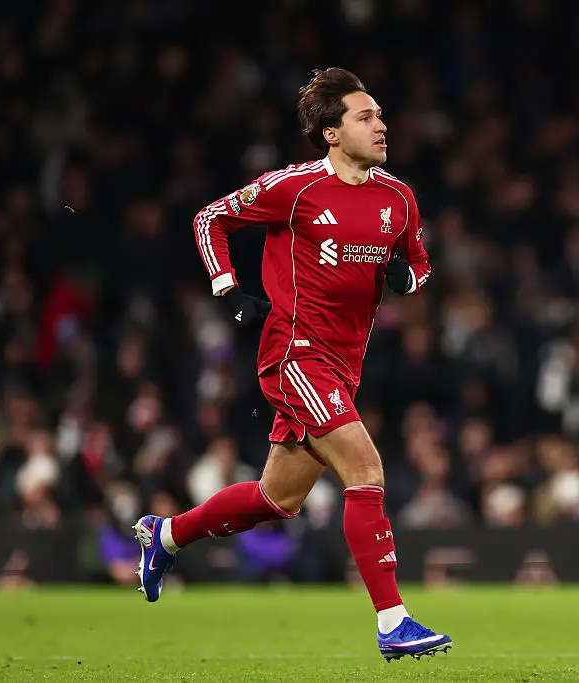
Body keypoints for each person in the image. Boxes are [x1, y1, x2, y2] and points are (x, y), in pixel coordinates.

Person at [132, 68, 451, 661]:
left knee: (276, 499)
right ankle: (393, 622)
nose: (382, 125)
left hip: (345, 363)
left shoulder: (398, 197)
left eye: (380, 114)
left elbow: (420, 264)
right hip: (295, 354)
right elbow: (211, 219)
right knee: (367, 469)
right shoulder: (296, 188)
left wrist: (409, 277)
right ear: (331, 133)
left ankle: (166, 534)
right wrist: (228, 289)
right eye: (365, 116)